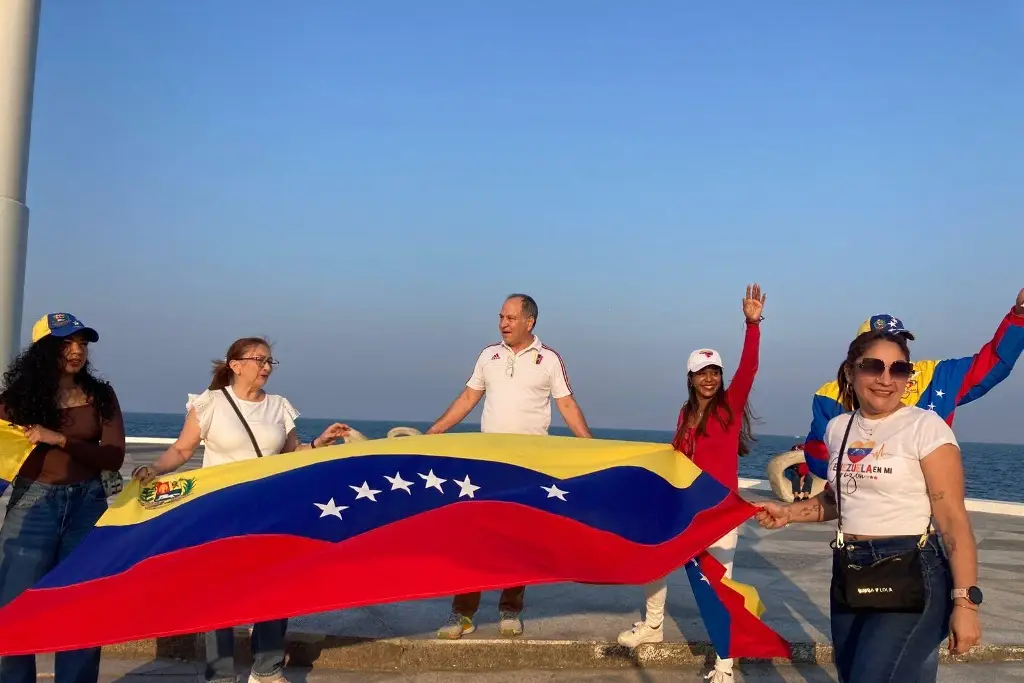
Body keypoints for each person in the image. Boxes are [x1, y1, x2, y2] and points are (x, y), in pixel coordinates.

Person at [756, 327, 982, 683]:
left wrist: (965, 603)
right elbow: (838, 499)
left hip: (912, 570)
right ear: (850, 371)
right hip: (851, 570)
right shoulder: (838, 428)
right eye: (873, 366)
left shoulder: (926, 428)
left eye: (899, 369)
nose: (885, 379)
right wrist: (789, 514)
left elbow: (953, 520)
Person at [132, 337, 350, 683]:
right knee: (219, 593)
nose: (266, 367)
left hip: (271, 510)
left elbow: (291, 452)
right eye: (259, 360)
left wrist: (318, 444)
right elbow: (182, 449)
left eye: (269, 361)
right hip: (221, 511)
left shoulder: (279, 406)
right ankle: (219, 673)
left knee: (276, 590)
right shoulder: (210, 404)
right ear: (235, 364)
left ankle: (267, 669)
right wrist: (155, 470)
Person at [617, 284, 765, 683]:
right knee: (654, 561)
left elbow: (749, 368)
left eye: (715, 372)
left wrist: (752, 325)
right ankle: (652, 625)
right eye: (703, 373)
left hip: (719, 513)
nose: (710, 379)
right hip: (686, 508)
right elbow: (676, 457)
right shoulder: (685, 413)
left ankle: (724, 664)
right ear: (691, 377)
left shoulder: (729, 409)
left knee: (720, 586)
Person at [426, 293, 592, 640]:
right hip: (489, 464)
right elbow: (469, 397)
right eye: (501, 317)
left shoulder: (549, 360)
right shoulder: (489, 355)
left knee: (518, 540)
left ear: (529, 322)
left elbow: (567, 404)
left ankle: (510, 609)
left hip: (528, 465)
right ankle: (462, 613)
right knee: (476, 539)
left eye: (511, 318)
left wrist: (590, 447)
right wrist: (436, 429)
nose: (503, 323)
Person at [0, 313, 126, 683]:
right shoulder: (16, 400)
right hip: (33, 506)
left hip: (88, 506)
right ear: (44, 349)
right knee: (15, 609)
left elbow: (113, 456)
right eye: (67, 343)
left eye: (83, 344)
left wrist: (59, 439)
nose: (77, 351)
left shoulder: (100, 395)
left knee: (82, 607)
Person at [802, 288, 1024, 480]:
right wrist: (866, 476)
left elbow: (994, 362)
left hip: (920, 515)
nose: (886, 378)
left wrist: (1019, 317)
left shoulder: (936, 375)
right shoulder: (829, 395)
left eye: (898, 341)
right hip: (859, 515)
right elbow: (817, 453)